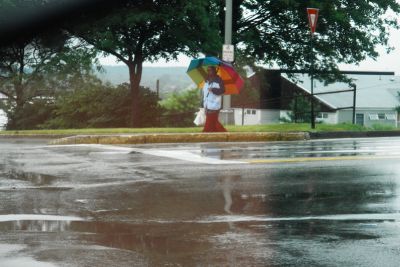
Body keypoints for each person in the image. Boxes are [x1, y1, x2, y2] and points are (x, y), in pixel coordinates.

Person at [201, 66, 227, 132]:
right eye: (208, 70)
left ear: (214, 71)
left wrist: (213, 89)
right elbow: (204, 92)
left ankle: (206, 131)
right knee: (213, 121)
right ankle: (218, 132)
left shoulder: (219, 80)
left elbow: (222, 90)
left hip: (215, 103)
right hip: (207, 103)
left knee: (211, 120)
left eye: (210, 70)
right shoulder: (206, 80)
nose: (209, 72)